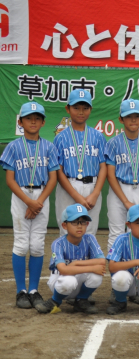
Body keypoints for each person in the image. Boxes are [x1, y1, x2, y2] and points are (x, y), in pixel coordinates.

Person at [0, 102, 59, 310]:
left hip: (42, 195)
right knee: (21, 243)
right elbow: (9, 179)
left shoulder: (49, 147)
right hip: (21, 195)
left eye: (37, 118)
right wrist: (29, 202)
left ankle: (33, 290)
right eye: (28, 118)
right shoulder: (13, 146)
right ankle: (20, 291)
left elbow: (53, 178)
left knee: (37, 244)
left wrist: (39, 202)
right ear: (20, 122)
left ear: (43, 122)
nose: (32, 121)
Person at [105, 99, 139, 251]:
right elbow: (111, 175)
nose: (133, 119)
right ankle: (116, 273)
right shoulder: (113, 143)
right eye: (129, 116)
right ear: (121, 119)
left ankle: (136, 272)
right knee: (116, 233)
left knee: (137, 234)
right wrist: (125, 201)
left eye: (137, 115)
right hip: (119, 190)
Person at [54, 89, 107, 236]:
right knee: (66, 230)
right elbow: (58, 170)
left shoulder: (98, 136)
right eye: (76, 107)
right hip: (68, 187)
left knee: (88, 232)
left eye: (85, 108)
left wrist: (95, 193)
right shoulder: (60, 138)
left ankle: (86, 260)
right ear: (68, 109)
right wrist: (76, 196)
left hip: (92, 187)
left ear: (90, 109)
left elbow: (103, 167)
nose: (81, 112)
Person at [37, 204, 105, 314]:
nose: (79, 226)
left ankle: (81, 300)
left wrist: (76, 263)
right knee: (69, 280)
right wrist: (91, 267)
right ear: (64, 225)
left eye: (83, 222)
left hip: (78, 279)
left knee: (96, 275)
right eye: (74, 222)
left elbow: (102, 261)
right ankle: (55, 301)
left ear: (87, 224)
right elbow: (63, 270)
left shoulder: (90, 238)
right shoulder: (58, 243)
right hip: (59, 281)